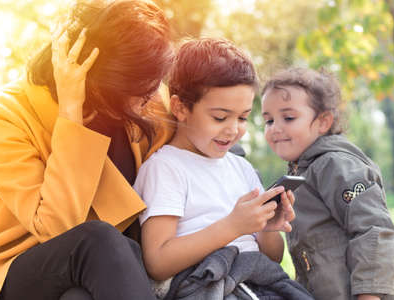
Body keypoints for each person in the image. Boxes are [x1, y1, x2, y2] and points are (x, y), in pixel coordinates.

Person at [0, 0, 175, 299]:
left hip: (98, 269)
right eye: (142, 87)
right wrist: (70, 112)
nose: (154, 94)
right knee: (99, 239)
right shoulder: (6, 118)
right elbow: (56, 228)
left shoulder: (144, 104)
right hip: (15, 269)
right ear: (100, 86)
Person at [133, 38, 313, 300]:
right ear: (181, 108)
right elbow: (158, 261)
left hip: (255, 280)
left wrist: (266, 227)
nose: (233, 129)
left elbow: (271, 259)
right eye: (220, 117)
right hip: (205, 282)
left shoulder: (241, 168)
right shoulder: (165, 168)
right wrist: (233, 226)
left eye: (242, 117)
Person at [261, 67, 394, 300]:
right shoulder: (301, 173)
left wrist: (368, 296)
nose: (275, 128)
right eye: (268, 120)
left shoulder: (336, 165)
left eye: (288, 117)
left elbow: (374, 231)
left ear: (323, 122)